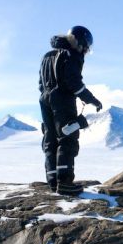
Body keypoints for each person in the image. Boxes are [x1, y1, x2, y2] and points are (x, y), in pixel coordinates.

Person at [38, 26, 103, 195]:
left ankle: (53, 181)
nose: (85, 50)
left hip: (44, 99)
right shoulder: (71, 55)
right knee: (68, 137)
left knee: (50, 138)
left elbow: (40, 83)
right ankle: (65, 182)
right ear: (79, 41)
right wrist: (91, 99)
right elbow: (73, 82)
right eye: (85, 46)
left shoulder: (47, 55)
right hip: (62, 99)